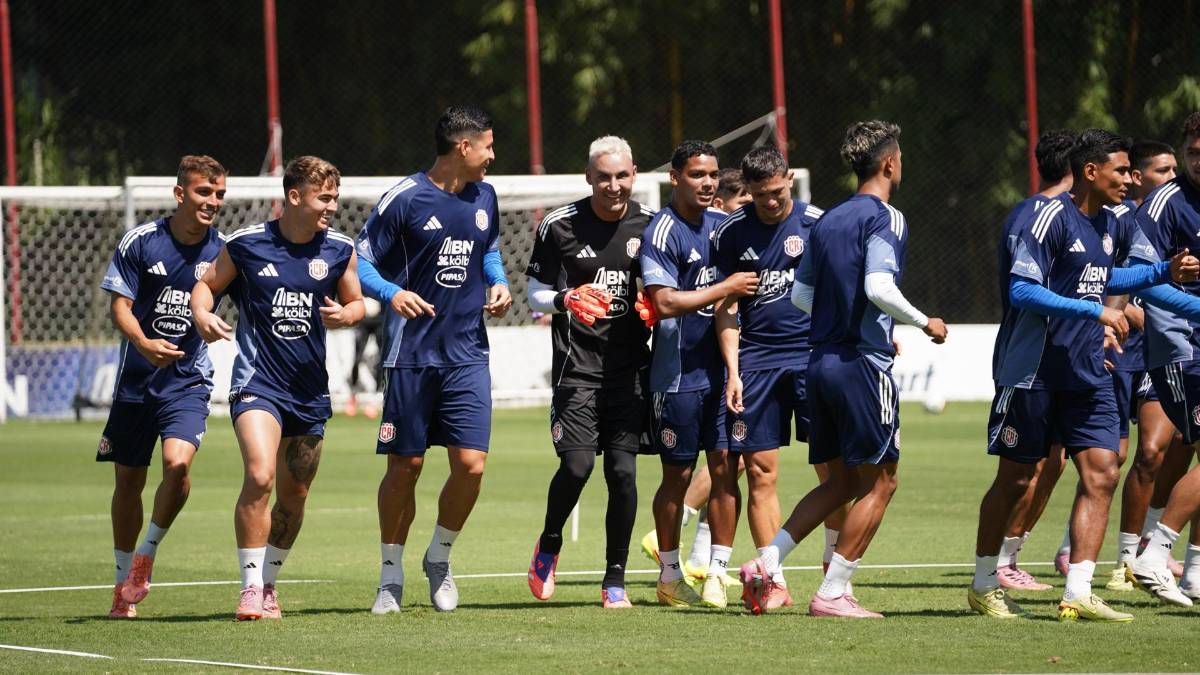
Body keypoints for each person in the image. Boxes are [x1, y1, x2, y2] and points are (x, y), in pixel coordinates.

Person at [972, 129, 1197, 622]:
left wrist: (1162, 271)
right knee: (1016, 478)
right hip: (1032, 371)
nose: (1130, 179)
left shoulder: (1110, 223)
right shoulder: (1047, 216)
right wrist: (1094, 312)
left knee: (1103, 471)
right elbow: (1023, 290)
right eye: (1121, 171)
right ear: (1091, 172)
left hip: (1088, 370)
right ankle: (984, 581)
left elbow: (1105, 277)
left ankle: (1078, 590)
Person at [742, 121, 947, 618]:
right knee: (881, 482)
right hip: (860, 365)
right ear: (890, 163)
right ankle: (833, 592)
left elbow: (801, 295)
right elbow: (879, 286)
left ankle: (766, 561)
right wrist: (925, 322)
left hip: (819, 362)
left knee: (840, 483)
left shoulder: (828, 219)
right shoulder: (886, 217)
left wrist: (839, 319)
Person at [191, 156, 364, 620]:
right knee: (260, 475)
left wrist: (348, 314)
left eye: (335, 198)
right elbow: (206, 286)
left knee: (295, 494)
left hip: (309, 393)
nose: (332, 206)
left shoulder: (339, 249)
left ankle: (269, 583)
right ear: (294, 196)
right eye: (324, 198)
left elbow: (357, 302)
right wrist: (201, 313)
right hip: (257, 384)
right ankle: (249, 588)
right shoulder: (247, 244)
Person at [354, 105, 511, 614]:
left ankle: (439, 557)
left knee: (471, 466)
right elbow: (360, 262)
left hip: (468, 353)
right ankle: (389, 575)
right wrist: (391, 293)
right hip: (411, 356)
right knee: (407, 466)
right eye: (487, 146)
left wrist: (498, 281)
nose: (492, 155)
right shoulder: (404, 197)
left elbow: (487, 248)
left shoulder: (485, 195)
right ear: (463, 147)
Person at [524, 135, 654, 608]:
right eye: (603, 177)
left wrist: (655, 306)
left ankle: (614, 579)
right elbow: (535, 293)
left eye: (621, 176)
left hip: (630, 371)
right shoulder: (559, 225)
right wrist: (566, 299)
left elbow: (667, 287)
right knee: (577, 466)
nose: (613, 186)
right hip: (576, 369)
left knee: (623, 473)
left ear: (634, 175)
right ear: (588, 177)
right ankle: (549, 543)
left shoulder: (652, 225)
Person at [98, 155, 227, 618]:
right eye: (203, 192)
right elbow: (120, 306)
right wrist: (143, 343)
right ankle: (121, 584)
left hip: (187, 381)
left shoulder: (225, 252)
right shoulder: (141, 242)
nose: (212, 201)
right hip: (136, 381)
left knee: (177, 465)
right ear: (179, 194)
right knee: (128, 482)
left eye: (218, 194)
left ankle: (146, 554)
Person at [710, 145, 838, 612]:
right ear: (748, 188)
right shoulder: (730, 233)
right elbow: (725, 308)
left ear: (789, 180)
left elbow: (843, 289)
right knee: (761, 474)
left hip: (813, 359)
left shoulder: (818, 224)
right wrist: (733, 371)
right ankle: (774, 579)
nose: (770, 201)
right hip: (757, 363)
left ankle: (833, 571)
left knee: (835, 472)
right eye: (760, 194)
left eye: (777, 192)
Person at [639, 141, 759, 608]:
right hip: (677, 377)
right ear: (675, 178)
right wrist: (725, 285)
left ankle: (716, 572)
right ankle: (670, 575)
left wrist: (734, 370)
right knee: (678, 475)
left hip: (720, 375)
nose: (707, 183)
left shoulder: (722, 227)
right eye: (696, 175)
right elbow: (665, 301)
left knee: (727, 470)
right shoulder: (662, 231)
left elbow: (730, 304)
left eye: (712, 174)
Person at [983, 129, 1077, 594]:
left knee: (1053, 462)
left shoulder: (1072, 216)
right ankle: (995, 564)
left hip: (1063, 362)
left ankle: (1011, 555)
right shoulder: (1034, 217)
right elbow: (1025, 290)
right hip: (1027, 359)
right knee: (1023, 469)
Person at [1129, 111, 1200, 605]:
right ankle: (1153, 555)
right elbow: (1141, 279)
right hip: (1183, 349)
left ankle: (1194, 571)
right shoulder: (1163, 205)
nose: (1197, 160)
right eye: (1192, 151)